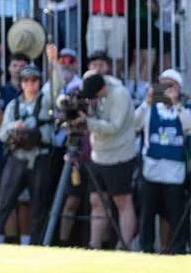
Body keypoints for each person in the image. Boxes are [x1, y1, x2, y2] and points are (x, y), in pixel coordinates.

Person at [0, 64, 56, 245]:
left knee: (39, 205)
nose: (30, 84)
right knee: (3, 202)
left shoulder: (46, 101)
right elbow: (1, 134)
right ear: (21, 83)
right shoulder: (13, 105)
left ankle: (37, 243)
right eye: (26, 80)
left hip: (40, 157)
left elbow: (57, 89)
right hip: (18, 158)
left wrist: (53, 63)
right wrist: (14, 127)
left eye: (34, 80)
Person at [77, 65, 139, 249]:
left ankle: (124, 245)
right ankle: (94, 244)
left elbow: (114, 127)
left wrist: (87, 122)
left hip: (119, 156)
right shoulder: (97, 94)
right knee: (96, 201)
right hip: (98, 156)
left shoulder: (119, 94)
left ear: (100, 90)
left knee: (122, 201)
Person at [137, 69, 187, 253]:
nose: (166, 89)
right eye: (163, 84)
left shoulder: (183, 109)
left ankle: (178, 249)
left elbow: (188, 126)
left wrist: (177, 104)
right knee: (147, 213)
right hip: (152, 170)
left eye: (171, 85)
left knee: (176, 215)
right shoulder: (150, 109)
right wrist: (146, 102)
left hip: (175, 172)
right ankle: (146, 247)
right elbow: (134, 124)